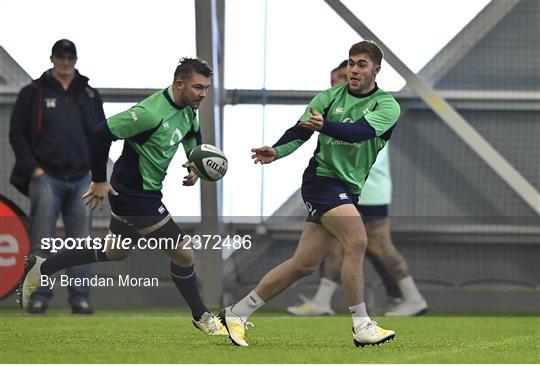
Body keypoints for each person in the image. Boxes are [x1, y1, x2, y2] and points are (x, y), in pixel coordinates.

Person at [18, 57, 227, 336]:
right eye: (198, 87)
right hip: (134, 196)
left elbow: (192, 134)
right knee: (184, 253)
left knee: (114, 251)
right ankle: (202, 316)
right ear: (179, 84)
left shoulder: (189, 109)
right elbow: (101, 133)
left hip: (145, 193)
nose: (203, 93)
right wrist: (99, 180)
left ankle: (44, 265)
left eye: (206, 88)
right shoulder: (149, 113)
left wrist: (194, 161)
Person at [220, 41, 398, 348]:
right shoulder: (328, 98)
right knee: (357, 241)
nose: (354, 70)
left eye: (361, 65)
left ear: (376, 70)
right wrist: (275, 151)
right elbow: (301, 132)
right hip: (322, 181)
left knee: (303, 264)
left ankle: (237, 312)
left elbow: (359, 132)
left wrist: (324, 126)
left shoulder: (387, 106)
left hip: (348, 188)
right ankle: (362, 325)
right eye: (351, 63)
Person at [287, 61, 427, 317]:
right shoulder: (336, 108)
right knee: (339, 245)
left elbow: (354, 141)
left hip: (369, 189)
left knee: (380, 246)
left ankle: (413, 298)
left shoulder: (370, 110)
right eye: (331, 82)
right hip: (344, 187)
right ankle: (321, 300)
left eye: (339, 79)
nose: (335, 86)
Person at [9, 39, 104, 314]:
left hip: (81, 179)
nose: (65, 63)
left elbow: (101, 134)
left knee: (81, 242)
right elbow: (17, 134)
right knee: (42, 240)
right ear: (52, 59)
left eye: (70, 58)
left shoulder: (88, 93)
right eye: (61, 57)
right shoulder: (33, 92)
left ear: (75, 60)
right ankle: (39, 296)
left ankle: (80, 298)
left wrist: (95, 173)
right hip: (45, 176)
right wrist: (33, 168)